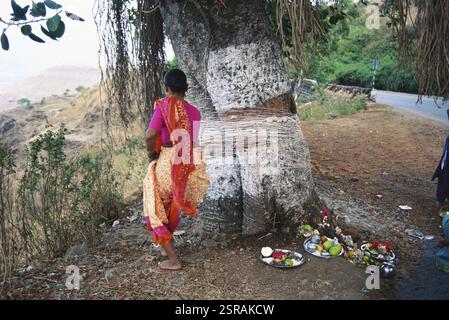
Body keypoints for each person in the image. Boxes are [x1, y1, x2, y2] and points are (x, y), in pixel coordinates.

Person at [143, 69, 210, 270]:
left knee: (154, 205)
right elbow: (194, 141)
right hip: (188, 163)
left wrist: (151, 154)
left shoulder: (164, 107)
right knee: (172, 206)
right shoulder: (195, 112)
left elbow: (150, 135)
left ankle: (173, 260)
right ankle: (165, 248)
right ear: (186, 89)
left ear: (167, 88)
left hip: (168, 162)